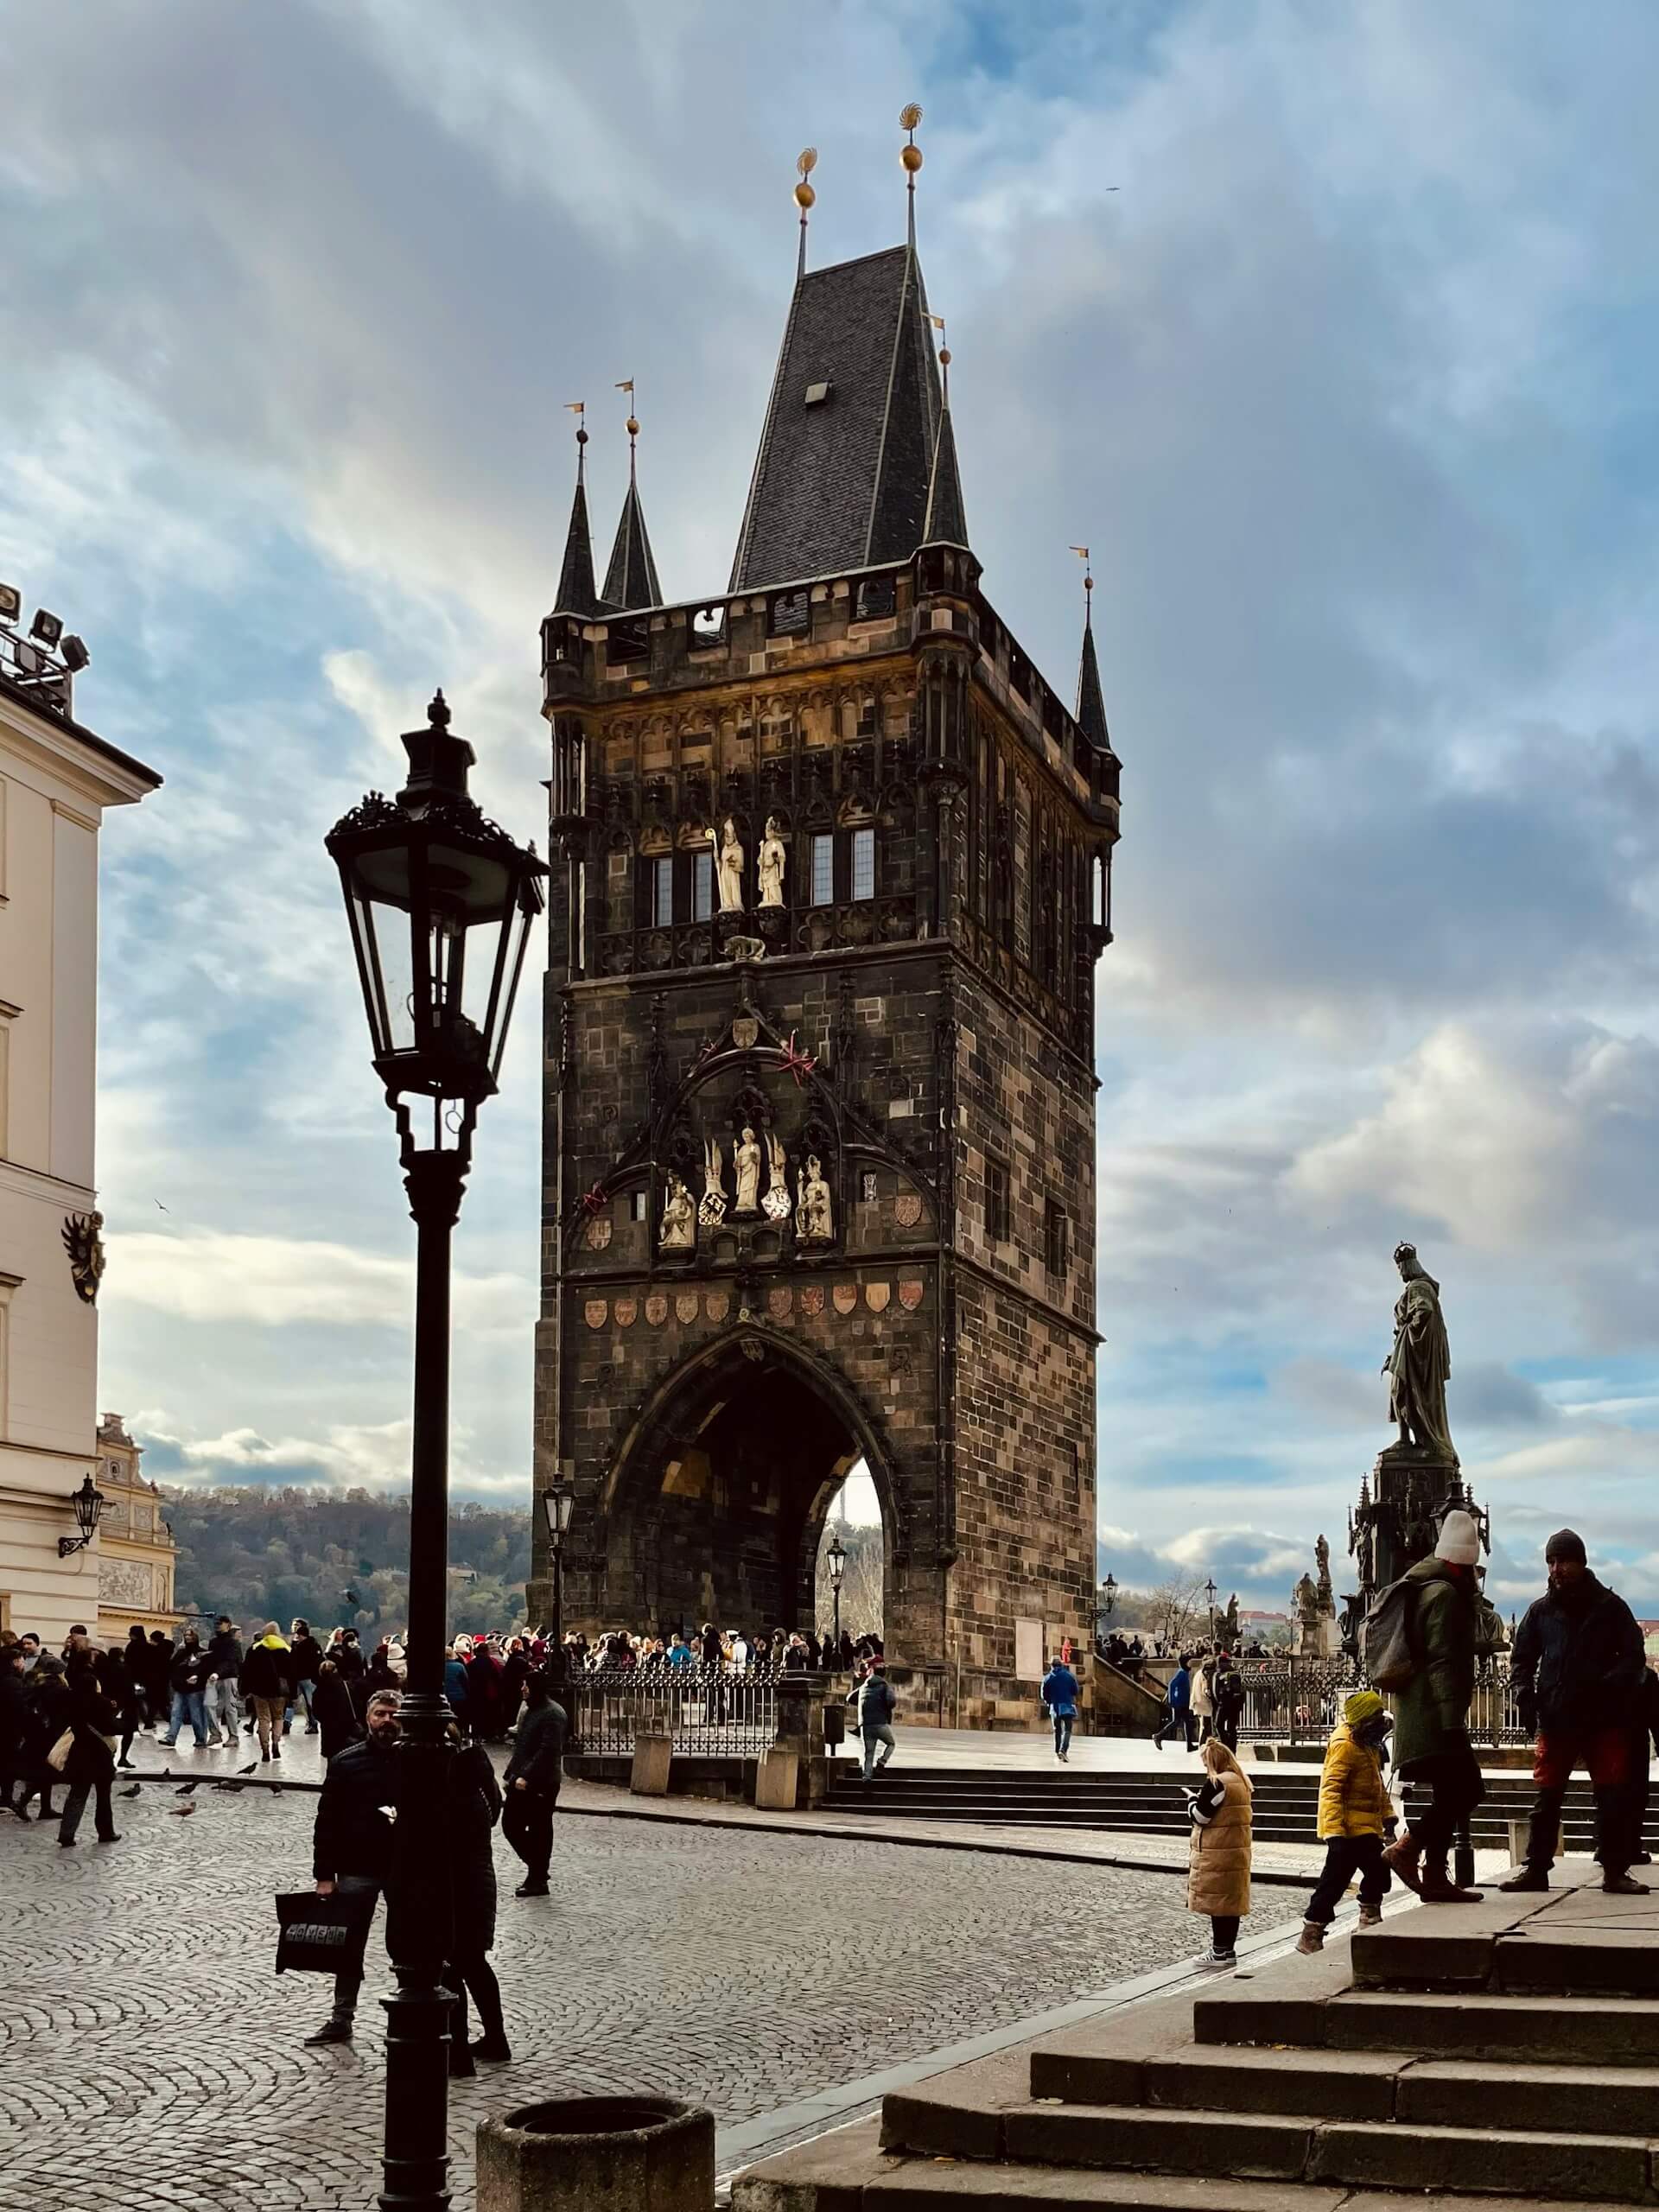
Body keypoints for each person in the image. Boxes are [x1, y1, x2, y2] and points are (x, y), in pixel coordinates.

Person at [1500, 1529, 1649, 1896]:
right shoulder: (1541, 1611)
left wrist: (1605, 1687)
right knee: (1547, 1796)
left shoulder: (1610, 1608)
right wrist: (1524, 1693)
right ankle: (1536, 1867)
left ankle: (1614, 1870)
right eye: (1551, 1562)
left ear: (1581, 1562)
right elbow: (1521, 1660)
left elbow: (1633, 1658)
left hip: (1603, 1718)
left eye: (1563, 1560)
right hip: (1557, 1715)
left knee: (1610, 1795)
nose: (1556, 1569)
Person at [1381, 1510, 1485, 1905]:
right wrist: (1450, 1719)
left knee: (1451, 1789)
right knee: (1467, 1788)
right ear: (1466, 1561)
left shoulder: (1430, 1586)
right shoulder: (1443, 1594)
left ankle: (1435, 1875)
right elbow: (1442, 1658)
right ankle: (1409, 1848)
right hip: (1432, 1716)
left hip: (1421, 1712)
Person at [306, 1690, 406, 2044]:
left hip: (403, 1868)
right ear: (368, 1718)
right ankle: (341, 2015)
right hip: (356, 1867)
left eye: (394, 1714)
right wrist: (324, 1876)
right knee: (349, 1945)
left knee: (409, 1943)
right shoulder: (346, 1762)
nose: (387, 1721)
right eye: (380, 1714)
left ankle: (411, 2010)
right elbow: (326, 1822)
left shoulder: (416, 1761)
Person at [1297, 1691, 1395, 1953]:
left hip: (1364, 1825)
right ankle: (1313, 1932)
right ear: (1364, 1718)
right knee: (1336, 1882)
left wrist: (1389, 1816)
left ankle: (1366, 1917)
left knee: (1374, 1872)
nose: (1381, 1720)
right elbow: (1331, 1790)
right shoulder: (1345, 1745)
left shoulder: (1366, 1744)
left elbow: (1376, 1786)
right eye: (1376, 1715)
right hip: (1347, 1829)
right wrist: (1334, 1833)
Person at [443, 1725, 510, 2075]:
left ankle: (458, 2054)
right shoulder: (475, 1779)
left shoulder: (458, 1786)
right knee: (472, 1963)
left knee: (455, 1965)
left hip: (461, 1886)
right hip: (475, 1884)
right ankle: (494, 2038)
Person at [1186, 1737, 1252, 1969]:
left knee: (1218, 1903)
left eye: (1206, 1764)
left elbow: (1201, 1816)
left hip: (1218, 1851)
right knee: (1231, 1902)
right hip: (1237, 1850)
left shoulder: (1217, 1783)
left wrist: (1192, 1802)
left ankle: (1218, 1951)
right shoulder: (1241, 1782)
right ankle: (1228, 1950)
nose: (1205, 1768)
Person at [502, 1672, 568, 1898]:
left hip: (541, 1782)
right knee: (511, 1826)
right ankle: (539, 1870)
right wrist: (509, 1773)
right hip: (521, 1778)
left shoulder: (553, 1713)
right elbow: (522, 1746)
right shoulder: (529, 1709)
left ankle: (537, 1876)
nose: (523, 1689)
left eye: (526, 1685)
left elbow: (547, 1750)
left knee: (539, 1829)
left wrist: (526, 1776)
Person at [58, 1669, 121, 1848]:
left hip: (80, 1752)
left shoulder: (71, 1701)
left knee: (76, 1795)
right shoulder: (102, 1703)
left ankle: (66, 1834)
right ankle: (105, 1831)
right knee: (103, 1796)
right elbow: (111, 1726)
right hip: (100, 1754)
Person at [240, 1623, 295, 1762]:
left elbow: (246, 1671)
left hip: (259, 1690)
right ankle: (275, 1744)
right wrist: (293, 1693)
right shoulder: (285, 1649)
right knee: (278, 1717)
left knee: (263, 1719)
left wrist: (244, 1690)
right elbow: (292, 1673)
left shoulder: (254, 1649)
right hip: (279, 1691)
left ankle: (265, 1750)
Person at [161, 1628, 211, 1748]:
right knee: (176, 1713)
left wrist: (196, 1678)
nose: (188, 1637)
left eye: (190, 1635)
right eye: (186, 1635)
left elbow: (205, 1671)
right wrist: (180, 1681)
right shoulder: (180, 1654)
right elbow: (173, 1670)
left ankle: (201, 1738)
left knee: (196, 1715)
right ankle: (171, 1737)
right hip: (181, 1688)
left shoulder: (203, 1654)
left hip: (196, 1689)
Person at [311, 1658, 362, 1760]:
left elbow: (316, 1711)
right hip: (347, 1727)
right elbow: (356, 1705)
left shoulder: (319, 1690)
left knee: (331, 1757)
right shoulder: (346, 1686)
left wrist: (324, 1720)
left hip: (328, 1729)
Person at [205, 1616, 244, 1747]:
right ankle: (215, 1734)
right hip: (214, 1677)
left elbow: (231, 1661)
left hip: (229, 1677)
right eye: (216, 1623)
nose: (217, 1625)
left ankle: (234, 1736)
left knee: (229, 1708)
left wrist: (217, 1673)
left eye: (220, 1623)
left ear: (228, 1625)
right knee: (208, 1705)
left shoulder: (233, 1643)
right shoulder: (213, 1642)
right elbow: (210, 1660)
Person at [857, 1660, 897, 1779]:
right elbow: (891, 1701)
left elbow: (850, 1698)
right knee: (891, 1743)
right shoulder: (884, 1686)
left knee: (869, 1753)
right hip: (879, 1722)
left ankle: (867, 1777)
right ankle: (881, 1762)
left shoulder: (863, 1686)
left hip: (865, 1724)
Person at [1040, 1652, 1080, 1763]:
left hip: (1055, 1707)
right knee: (1067, 1730)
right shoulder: (1069, 1676)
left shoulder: (1047, 1678)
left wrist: (1049, 1702)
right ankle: (1063, 1750)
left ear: (1051, 1665)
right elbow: (1075, 1691)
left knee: (1057, 1730)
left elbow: (1044, 1694)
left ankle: (1058, 1751)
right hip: (1067, 1705)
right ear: (1061, 1664)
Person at [1153, 1655, 1196, 1752]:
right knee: (1176, 1721)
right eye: (1190, 1661)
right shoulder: (1182, 1673)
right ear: (1185, 1662)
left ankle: (1189, 1745)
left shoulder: (1184, 1672)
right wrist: (1171, 1700)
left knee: (1186, 1723)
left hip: (1183, 1702)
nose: (1191, 1663)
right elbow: (1172, 1684)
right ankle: (1158, 1736)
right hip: (1179, 1703)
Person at [289, 1619, 324, 1732]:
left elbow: (293, 1660)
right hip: (311, 1677)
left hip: (303, 1677)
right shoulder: (315, 1645)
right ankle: (313, 1723)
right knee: (310, 1702)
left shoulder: (300, 1647)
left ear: (301, 1635)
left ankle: (312, 1723)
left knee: (299, 1701)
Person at [1211, 1650, 1246, 1754]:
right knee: (1231, 1728)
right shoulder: (1232, 1673)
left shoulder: (1225, 1674)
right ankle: (1231, 1749)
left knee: (1219, 1724)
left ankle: (1227, 1746)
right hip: (1233, 1706)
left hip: (1225, 1704)